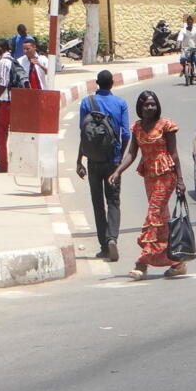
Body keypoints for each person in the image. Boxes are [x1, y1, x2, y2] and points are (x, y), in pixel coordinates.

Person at [109, 91, 188, 280]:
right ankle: (177, 262)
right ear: (140, 107)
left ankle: (141, 264)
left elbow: (174, 154)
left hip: (166, 176)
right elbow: (131, 153)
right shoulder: (137, 127)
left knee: (153, 215)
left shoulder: (166, 125)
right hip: (149, 177)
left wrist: (180, 179)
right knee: (162, 221)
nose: (150, 107)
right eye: (146, 105)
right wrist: (118, 171)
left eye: (153, 104)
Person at [76, 70, 130, 263]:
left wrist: (79, 161)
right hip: (113, 161)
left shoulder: (86, 103)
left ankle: (104, 247)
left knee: (97, 203)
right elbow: (126, 134)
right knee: (113, 201)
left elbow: (84, 134)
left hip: (93, 161)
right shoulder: (120, 104)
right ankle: (112, 238)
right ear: (112, 84)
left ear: (97, 83)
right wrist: (120, 157)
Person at [0, 39, 15, 173]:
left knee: (0, 133)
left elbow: (4, 83)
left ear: (4, 48)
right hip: (13, 101)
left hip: (6, 102)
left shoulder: (4, 62)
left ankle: (3, 165)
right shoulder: (12, 60)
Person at [177, 15, 196, 83]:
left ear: (192, 23)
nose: (190, 24)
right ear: (187, 23)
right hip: (185, 48)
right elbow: (180, 39)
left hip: (195, 48)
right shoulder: (183, 30)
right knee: (182, 59)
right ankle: (184, 69)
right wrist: (178, 46)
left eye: (191, 22)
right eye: (188, 23)